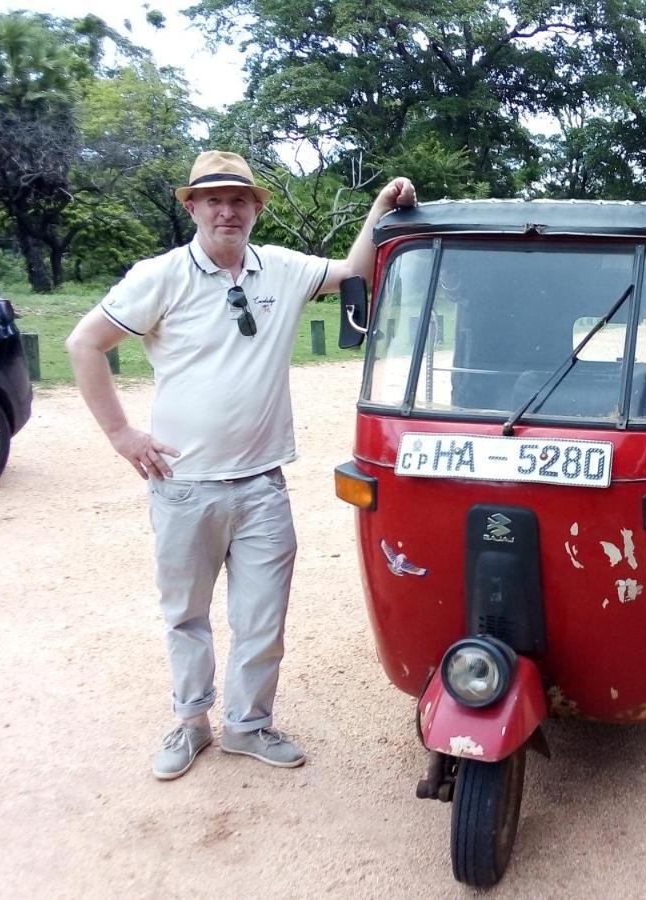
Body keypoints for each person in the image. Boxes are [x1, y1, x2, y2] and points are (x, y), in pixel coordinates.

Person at [66, 150, 416, 780]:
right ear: (193, 207)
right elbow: (84, 342)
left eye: (238, 199)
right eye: (212, 199)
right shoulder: (160, 275)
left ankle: (248, 725)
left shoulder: (280, 268)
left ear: (256, 208)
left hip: (262, 483)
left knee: (262, 617)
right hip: (183, 484)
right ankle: (191, 723)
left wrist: (378, 209)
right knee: (186, 613)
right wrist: (121, 433)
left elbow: (354, 269)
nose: (226, 210)